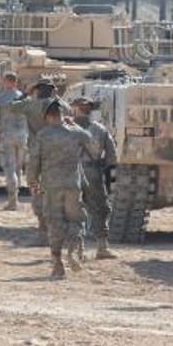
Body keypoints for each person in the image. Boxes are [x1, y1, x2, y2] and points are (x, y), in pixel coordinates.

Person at [26, 99, 98, 279]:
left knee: (54, 222)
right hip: (73, 184)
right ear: (61, 116)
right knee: (76, 219)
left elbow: (33, 161)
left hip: (51, 186)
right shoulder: (74, 133)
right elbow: (90, 141)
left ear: (47, 117)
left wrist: (32, 182)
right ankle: (73, 250)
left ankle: (57, 263)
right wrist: (75, 126)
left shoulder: (42, 135)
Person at [70, 96, 119, 260]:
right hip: (93, 174)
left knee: (72, 210)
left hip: (70, 173)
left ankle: (75, 249)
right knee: (99, 209)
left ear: (75, 108)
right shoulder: (100, 129)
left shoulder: (65, 129)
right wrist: (100, 166)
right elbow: (112, 157)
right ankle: (102, 247)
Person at [13, 79, 60, 243]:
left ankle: (43, 231)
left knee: (37, 190)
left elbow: (11, 106)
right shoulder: (61, 107)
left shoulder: (29, 104)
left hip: (37, 153)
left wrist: (26, 93)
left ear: (37, 90)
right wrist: (57, 97)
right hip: (58, 154)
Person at [0, 71, 29, 210]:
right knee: (18, 167)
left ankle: (12, 201)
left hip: (7, 135)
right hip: (23, 135)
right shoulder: (25, 98)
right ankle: (17, 199)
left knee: (9, 168)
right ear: (16, 82)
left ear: (5, 82)